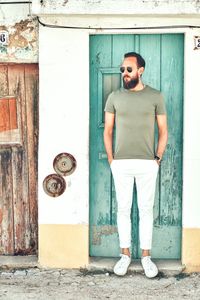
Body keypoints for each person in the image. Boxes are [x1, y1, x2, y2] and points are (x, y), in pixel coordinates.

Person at [103, 52, 168, 278]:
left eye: (128, 69)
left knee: (145, 210)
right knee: (123, 209)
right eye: (122, 70)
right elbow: (108, 131)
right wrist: (112, 159)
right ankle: (125, 255)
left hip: (147, 164)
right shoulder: (114, 97)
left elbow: (163, 131)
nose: (124, 73)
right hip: (120, 163)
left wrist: (157, 158)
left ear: (140, 70)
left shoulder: (156, 96)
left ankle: (146, 256)